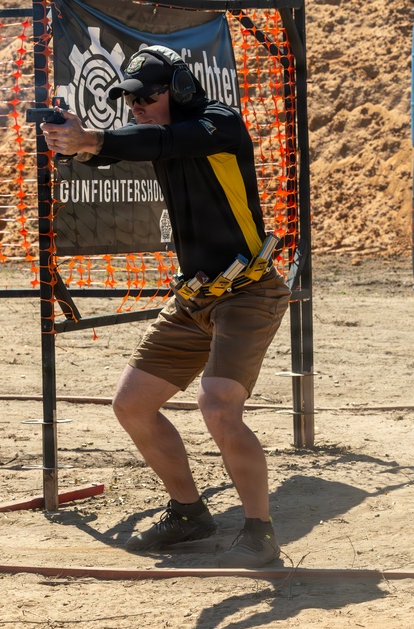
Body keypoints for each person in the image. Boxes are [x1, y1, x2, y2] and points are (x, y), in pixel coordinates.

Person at [41, 45, 291, 567]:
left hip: (248, 291)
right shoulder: (161, 133)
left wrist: (91, 140)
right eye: (131, 101)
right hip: (196, 295)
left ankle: (260, 534)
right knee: (131, 404)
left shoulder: (218, 124)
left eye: (146, 97)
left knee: (217, 405)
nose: (137, 107)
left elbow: (162, 140)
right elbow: (119, 148)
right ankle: (188, 513)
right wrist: (75, 142)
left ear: (178, 90)